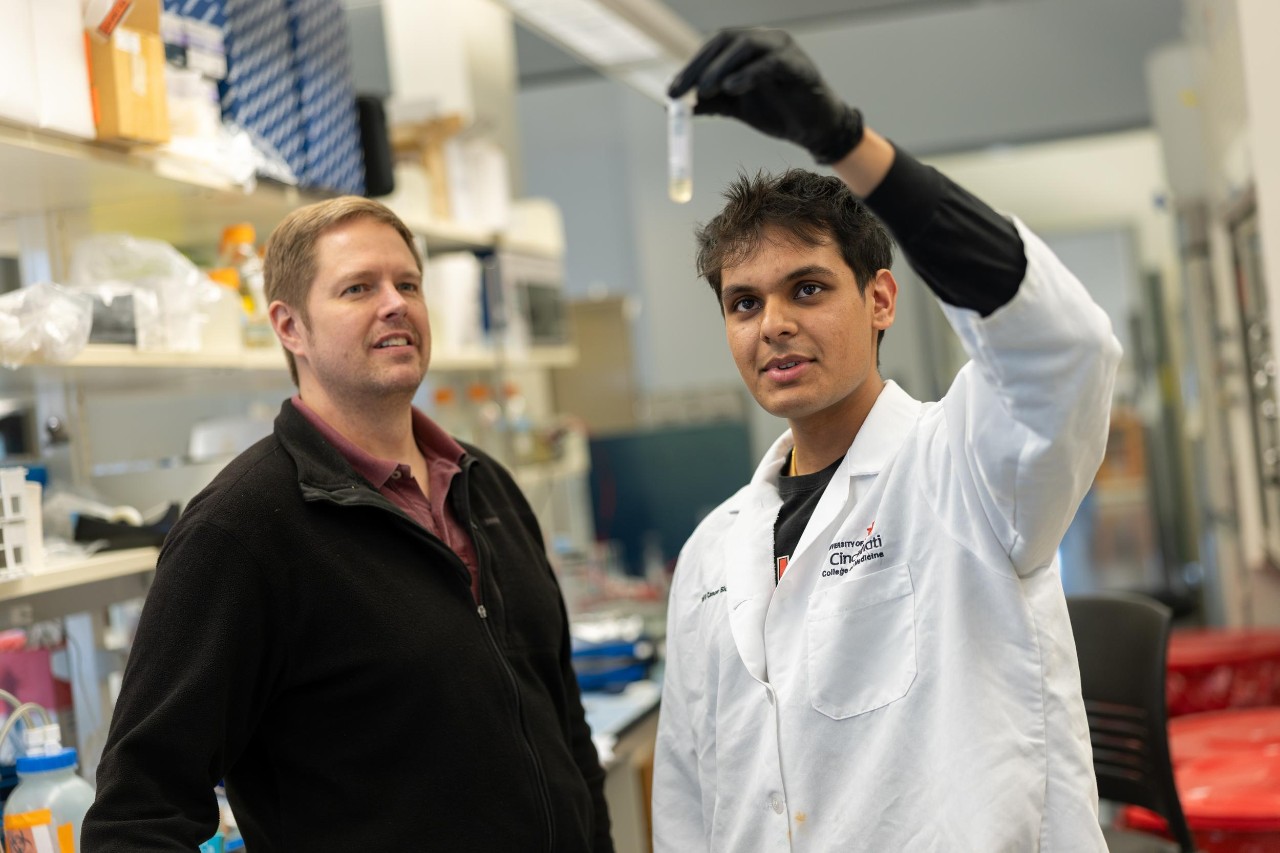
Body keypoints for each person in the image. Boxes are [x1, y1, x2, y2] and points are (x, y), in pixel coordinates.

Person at [653, 29, 1120, 852]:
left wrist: (848, 145)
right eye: (744, 303)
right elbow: (691, 801)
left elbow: (1064, 347)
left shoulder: (969, 467)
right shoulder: (710, 555)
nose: (775, 326)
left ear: (881, 300)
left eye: (807, 288)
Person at [82, 197, 613, 852]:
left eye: (407, 283)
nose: (395, 303)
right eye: (358, 287)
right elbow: (136, 816)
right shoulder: (241, 530)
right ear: (289, 326)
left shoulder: (487, 486)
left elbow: (565, 729)